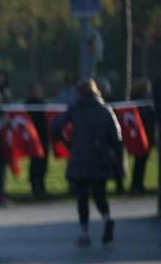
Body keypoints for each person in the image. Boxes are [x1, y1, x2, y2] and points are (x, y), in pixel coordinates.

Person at [50, 79, 123, 246]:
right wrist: (117, 160)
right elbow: (116, 138)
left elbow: (56, 126)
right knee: (100, 195)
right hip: (100, 158)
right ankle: (107, 219)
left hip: (79, 157)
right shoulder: (106, 110)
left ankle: (84, 234)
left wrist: (67, 142)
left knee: (82, 198)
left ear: (80, 92)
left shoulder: (75, 109)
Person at [129, 79, 155, 193]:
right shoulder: (141, 102)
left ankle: (137, 184)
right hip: (142, 134)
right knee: (140, 160)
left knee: (141, 161)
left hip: (145, 134)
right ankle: (137, 184)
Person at [26, 83, 50, 198]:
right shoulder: (29, 104)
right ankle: (34, 187)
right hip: (33, 139)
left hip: (43, 138)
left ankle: (42, 186)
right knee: (35, 163)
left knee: (43, 164)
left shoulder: (43, 104)